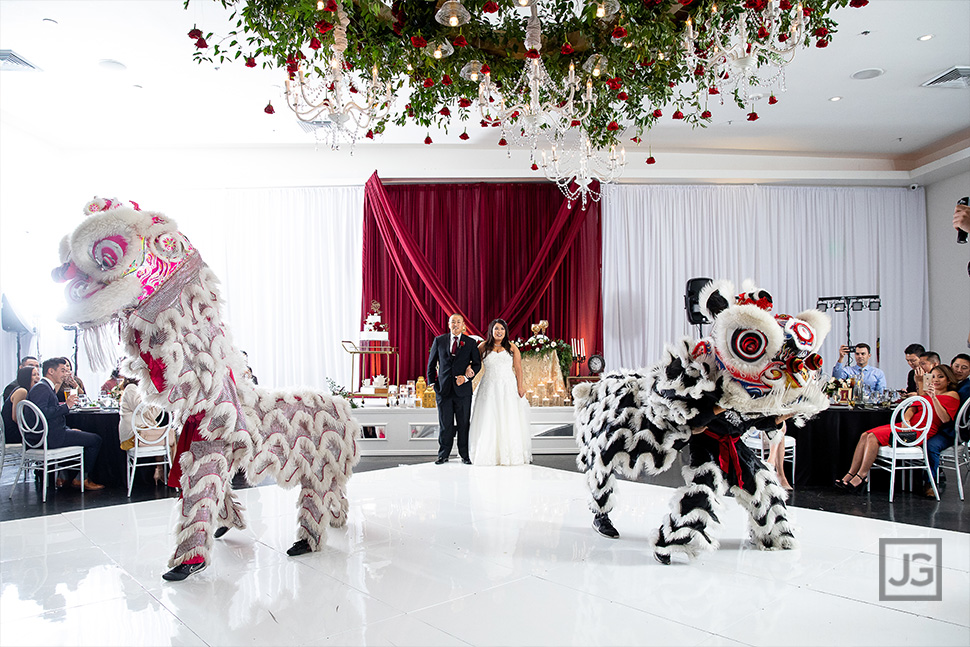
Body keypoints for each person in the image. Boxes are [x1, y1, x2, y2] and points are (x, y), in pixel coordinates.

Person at [836, 365, 960, 494]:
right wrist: (906, 421)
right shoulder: (926, 392)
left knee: (873, 437)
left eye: (941, 377)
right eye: (933, 376)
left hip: (920, 431)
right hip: (907, 426)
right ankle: (850, 474)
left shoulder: (952, 395)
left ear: (949, 380)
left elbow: (945, 418)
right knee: (865, 435)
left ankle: (861, 476)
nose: (936, 380)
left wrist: (934, 397)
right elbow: (913, 408)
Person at [26, 357, 104, 490]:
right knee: (96, 440)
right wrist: (66, 407)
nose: (65, 374)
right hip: (48, 438)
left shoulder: (43, 387)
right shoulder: (42, 388)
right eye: (62, 370)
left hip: (49, 434)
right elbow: (42, 413)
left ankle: (65, 476)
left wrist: (68, 428)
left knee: (79, 433)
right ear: (51, 371)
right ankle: (81, 479)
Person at [469, 318, 531, 466]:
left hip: (507, 386)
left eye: (502, 329)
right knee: (488, 418)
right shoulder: (483, 346)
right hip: (488, 386)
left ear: (506, 331)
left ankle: (508, 454)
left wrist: (520, 387)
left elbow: (518, 369)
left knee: (507, 417)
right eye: (496, 329)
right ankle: (487, 453)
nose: (499, 332)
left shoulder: (512, 347)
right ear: (491, 330)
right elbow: (474, 363)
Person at [427, 313, 482, 465]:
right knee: (445, 424)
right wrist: (433, 383)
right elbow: (431, 364)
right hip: (443, 390)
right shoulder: (439, 340)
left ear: (463, 324)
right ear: (449, 324)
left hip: (463, 391)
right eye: (453, 322)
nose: (455, 324)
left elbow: (477, 364)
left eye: (458, 322)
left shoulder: (470, 343)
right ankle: (443, 454)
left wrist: (465, 378)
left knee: (464, 423)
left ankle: (464, 455)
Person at [923, 354, 970, 496]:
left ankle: (931, 483)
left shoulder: (963, 389)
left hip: (951, 431)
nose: (959, 370)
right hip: (939, 426)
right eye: (956, 366)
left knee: (930, 445)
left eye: (964, 368)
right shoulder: (951, 385)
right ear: (951, 365)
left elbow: (948, 416)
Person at [118, 376, 175, 484]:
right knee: (171, 437)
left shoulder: (140, 389)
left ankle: (160, 470)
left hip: (142, 433)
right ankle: (171, 476)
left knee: (166, 435)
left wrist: (158, 399)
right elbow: (141, 409)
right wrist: (153, 396)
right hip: (133, 436)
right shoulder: (131, 388)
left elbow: (151, 415)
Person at [2, 366, 40, 444]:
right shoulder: (22, 391)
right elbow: (16, 418)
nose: (38, 377)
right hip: (14, 433)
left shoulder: (29, 391)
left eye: (38, 374)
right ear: (26, 377)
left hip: (20, 430)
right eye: (34, 375)